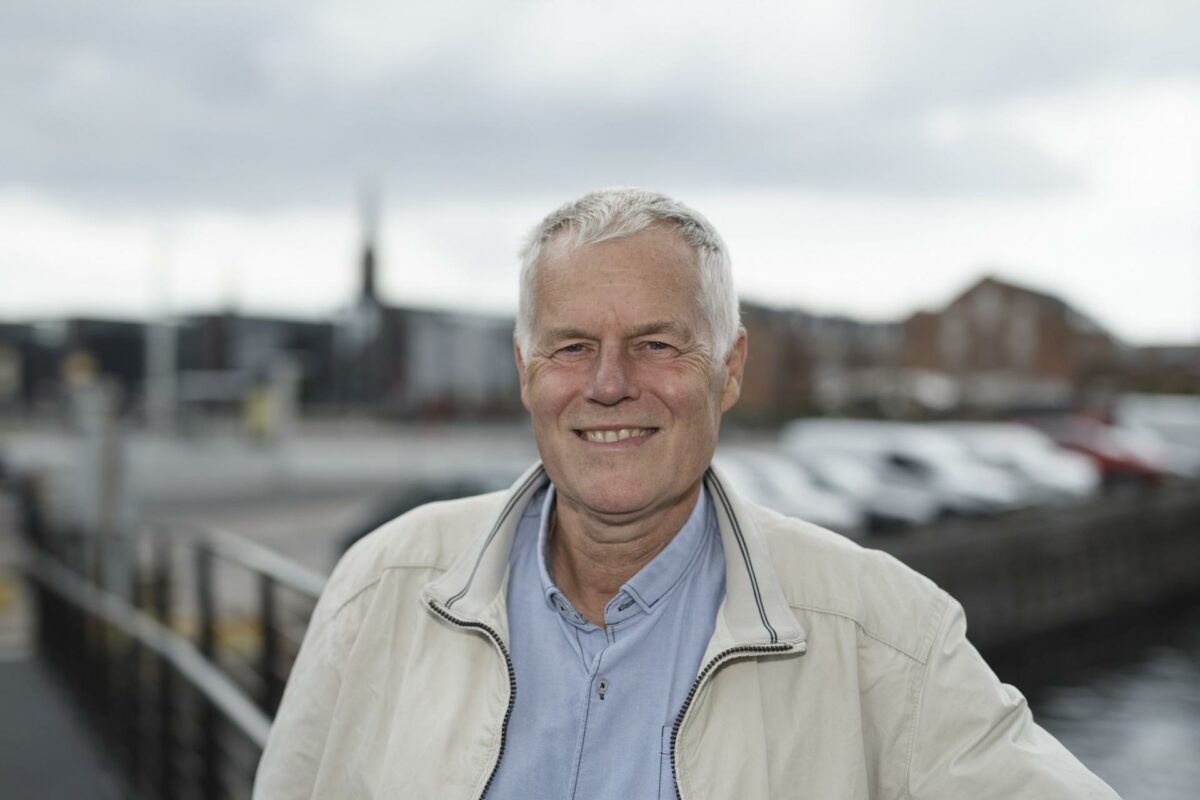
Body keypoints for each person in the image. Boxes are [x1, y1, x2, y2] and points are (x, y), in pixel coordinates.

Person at [253, 188, 1119, 799]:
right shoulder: (381, 590)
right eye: (569, 348)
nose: (609, 384)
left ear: (730, 369)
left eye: (658, 345)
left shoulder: (882, 636)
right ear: (525, 373)